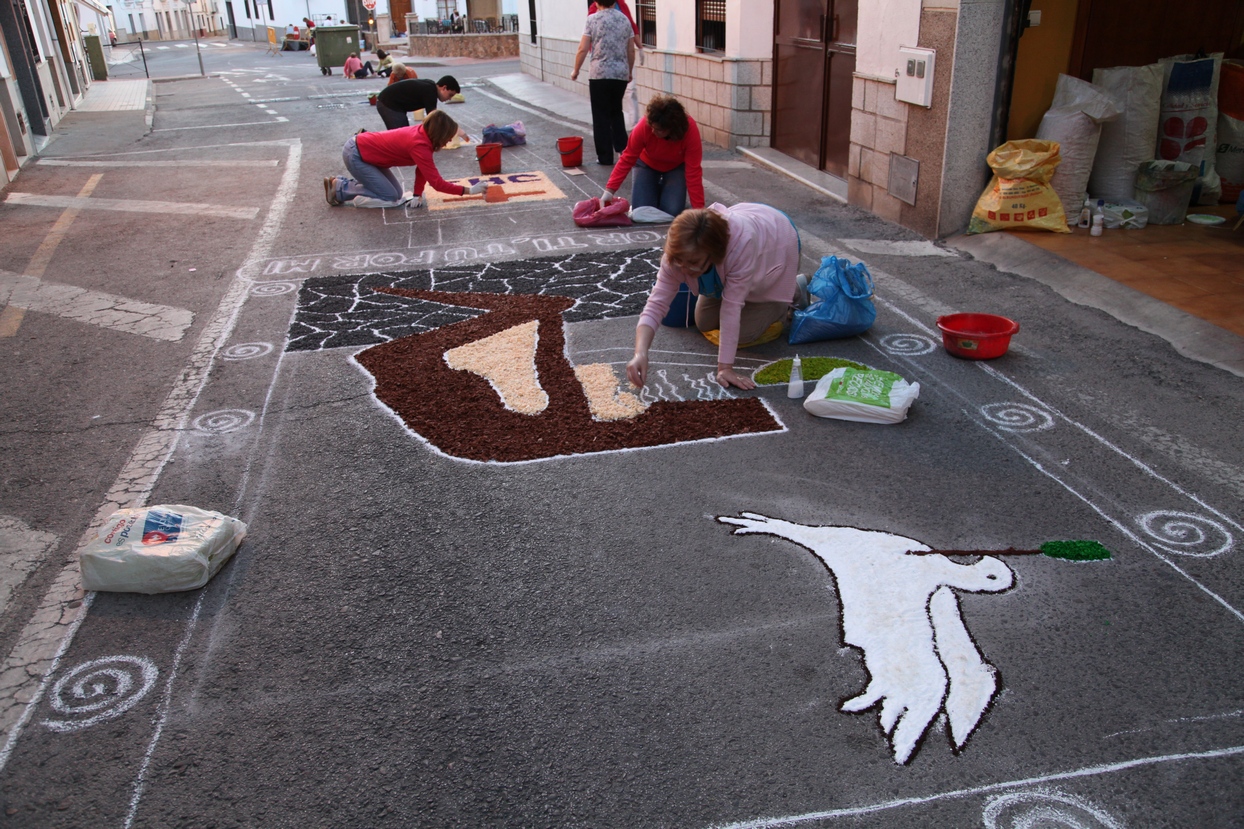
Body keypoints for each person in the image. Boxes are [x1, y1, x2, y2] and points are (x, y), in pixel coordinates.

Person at [626, 204, 800, 391]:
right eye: (679, 261)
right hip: (736, 258)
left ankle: (792, 290)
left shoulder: (741, 247)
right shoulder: (676, 256)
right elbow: (655, 304)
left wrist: (725, 368)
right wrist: (640, 353)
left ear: (714, 254)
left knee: (744, 334)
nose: (683, 270)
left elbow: (731, 308)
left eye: (693, 263)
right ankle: (733, 286)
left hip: (775, 248)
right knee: (703, 322)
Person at [324, 109, 488, 207]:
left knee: (397, 193)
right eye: (448, 136)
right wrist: (469, 190)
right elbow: (436, 183)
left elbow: (422, 169)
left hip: (367, 154)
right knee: (390, 197)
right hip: (356, 154)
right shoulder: (420, 145)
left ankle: (347, 185)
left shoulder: (424, 135)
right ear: (440, 134)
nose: (448, 141)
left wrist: (417, 194)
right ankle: (341, 188)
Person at [602, 95, 703, 216]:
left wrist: (699, 210)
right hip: (646, 164)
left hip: (675, 167)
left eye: (659, 130)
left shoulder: (690, 131)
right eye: (652, 127)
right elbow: (627, 158)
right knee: (641, 210)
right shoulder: (644, 127)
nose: (653, 132)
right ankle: (656, 188)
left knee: (672, 211)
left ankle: (666, 190)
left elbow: (693, 172)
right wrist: (609, 191)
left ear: (672, 128)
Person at [570, 0, 635, 166]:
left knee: (600, 116)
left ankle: (605, 157)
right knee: (616, 112)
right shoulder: (624, 20)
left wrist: (576, 70)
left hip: (599, 74)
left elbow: (583, 48)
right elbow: (630, 49)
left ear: (597, 2)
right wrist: (629, 71)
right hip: (620, 73)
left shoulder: (592, 19)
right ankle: (623, 150)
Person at [376, 76, 462, 132]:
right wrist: (454, 130)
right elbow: (434, 118)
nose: (449, 98)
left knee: (404, 134)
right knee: (401, 135)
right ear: (444, 88)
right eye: (450, 95)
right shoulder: (430, 91)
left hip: (391, 103)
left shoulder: (431, 86)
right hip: (388, 103)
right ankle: (368, 140)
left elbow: (430, 120)